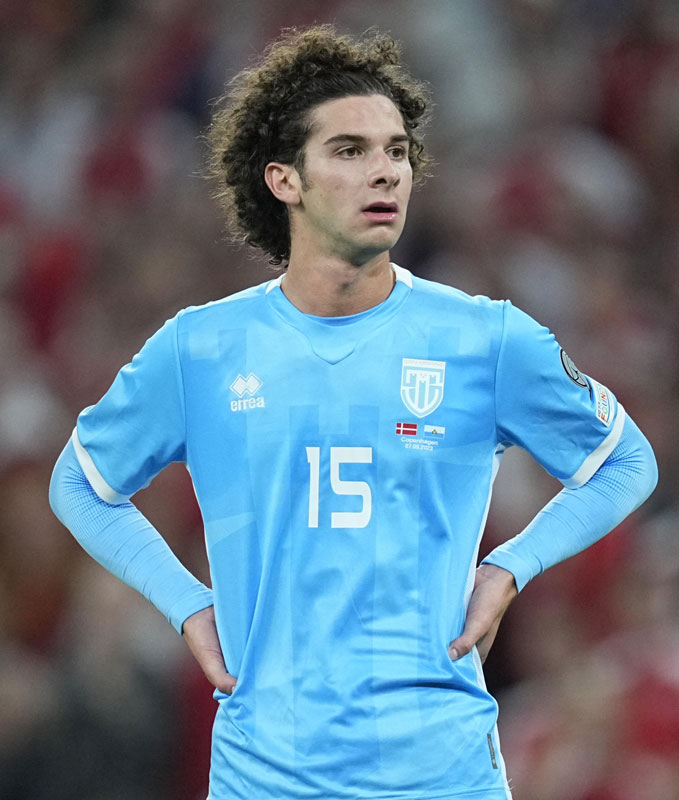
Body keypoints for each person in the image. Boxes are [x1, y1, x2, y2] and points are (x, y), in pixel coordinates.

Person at [49, 25, 658, 800]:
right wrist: (188, 605)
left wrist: (510, 566)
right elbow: (80, 483)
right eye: (349, 150)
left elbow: (624, 462)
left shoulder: (485, 338)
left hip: (441, 773)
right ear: (283, 179)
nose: (384, 172)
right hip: (267, 776)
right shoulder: (200, 348)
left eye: (396, 151)